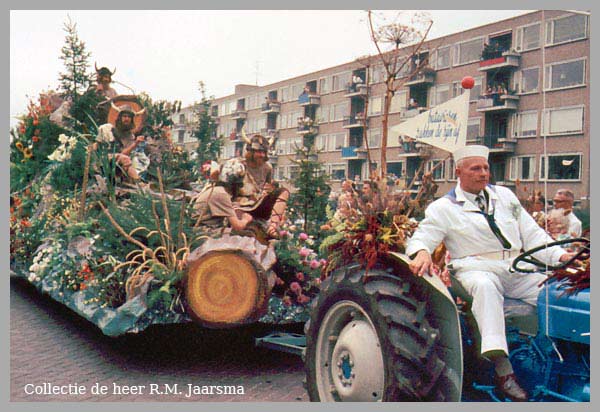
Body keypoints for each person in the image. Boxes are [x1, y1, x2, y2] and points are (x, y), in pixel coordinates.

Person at [406, 145, 576, 402]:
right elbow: (423, 235)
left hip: (516, 268)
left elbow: (533, 236)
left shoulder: (505, 197)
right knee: (486, 287)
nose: (483, 173)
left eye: (486, 168)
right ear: (459, 171)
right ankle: (503, 371)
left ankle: (562, 362)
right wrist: (421, 252)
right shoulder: (444, 207)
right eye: (476, 168)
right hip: (474, 269)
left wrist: (562, 257)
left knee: (558, 292)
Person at [235, 131, 290, 238]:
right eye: (259, 152)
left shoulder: (267, 167)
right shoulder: (238, 165)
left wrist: (267, 192)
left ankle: (272, 227)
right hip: (240, 207)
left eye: (264, 152)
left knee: (284, 192)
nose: (262, 155)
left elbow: (268, 186)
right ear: (250, 152)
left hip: (259, 204)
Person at [191, 158, 253, 233]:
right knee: (242, 235)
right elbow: (238, 226)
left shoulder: (217, 189)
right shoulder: (221, 194)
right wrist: (246, 219)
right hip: (201, 231)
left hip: (202, 228)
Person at [95, 104, 148, 182]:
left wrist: (135, 144)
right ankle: (139, 183)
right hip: (102, 161)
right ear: (119, 118)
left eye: (129, 117)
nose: (126, 119)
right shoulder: (106, 128)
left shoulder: (130, 136)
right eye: (124, 116)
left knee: (134, 161)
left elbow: (123, 154)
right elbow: (97, 146)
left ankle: (137, 182)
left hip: (117, 163)